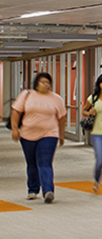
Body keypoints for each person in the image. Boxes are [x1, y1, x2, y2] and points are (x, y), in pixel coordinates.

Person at [10, 72, 67, 203]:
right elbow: (16, 112)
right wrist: (14, 129)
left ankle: (48, 191)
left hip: (49, 134)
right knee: (32, 163)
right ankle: (33, 189)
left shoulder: (56, 98)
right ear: (36, 84)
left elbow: (62, 117)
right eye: (43, 82)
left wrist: (61, 134)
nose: (46, 85)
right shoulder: (27, 95)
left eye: (48, 82)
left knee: (45, 162)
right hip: (27, 134)